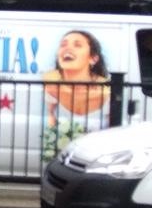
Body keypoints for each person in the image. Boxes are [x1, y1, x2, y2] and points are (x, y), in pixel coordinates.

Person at [41, 29, 110, 157]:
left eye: (77, 45)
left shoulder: (106, 90)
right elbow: (50, 118)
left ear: (93, 59)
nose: (67, 49)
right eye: (63, 45)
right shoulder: (51, 83)